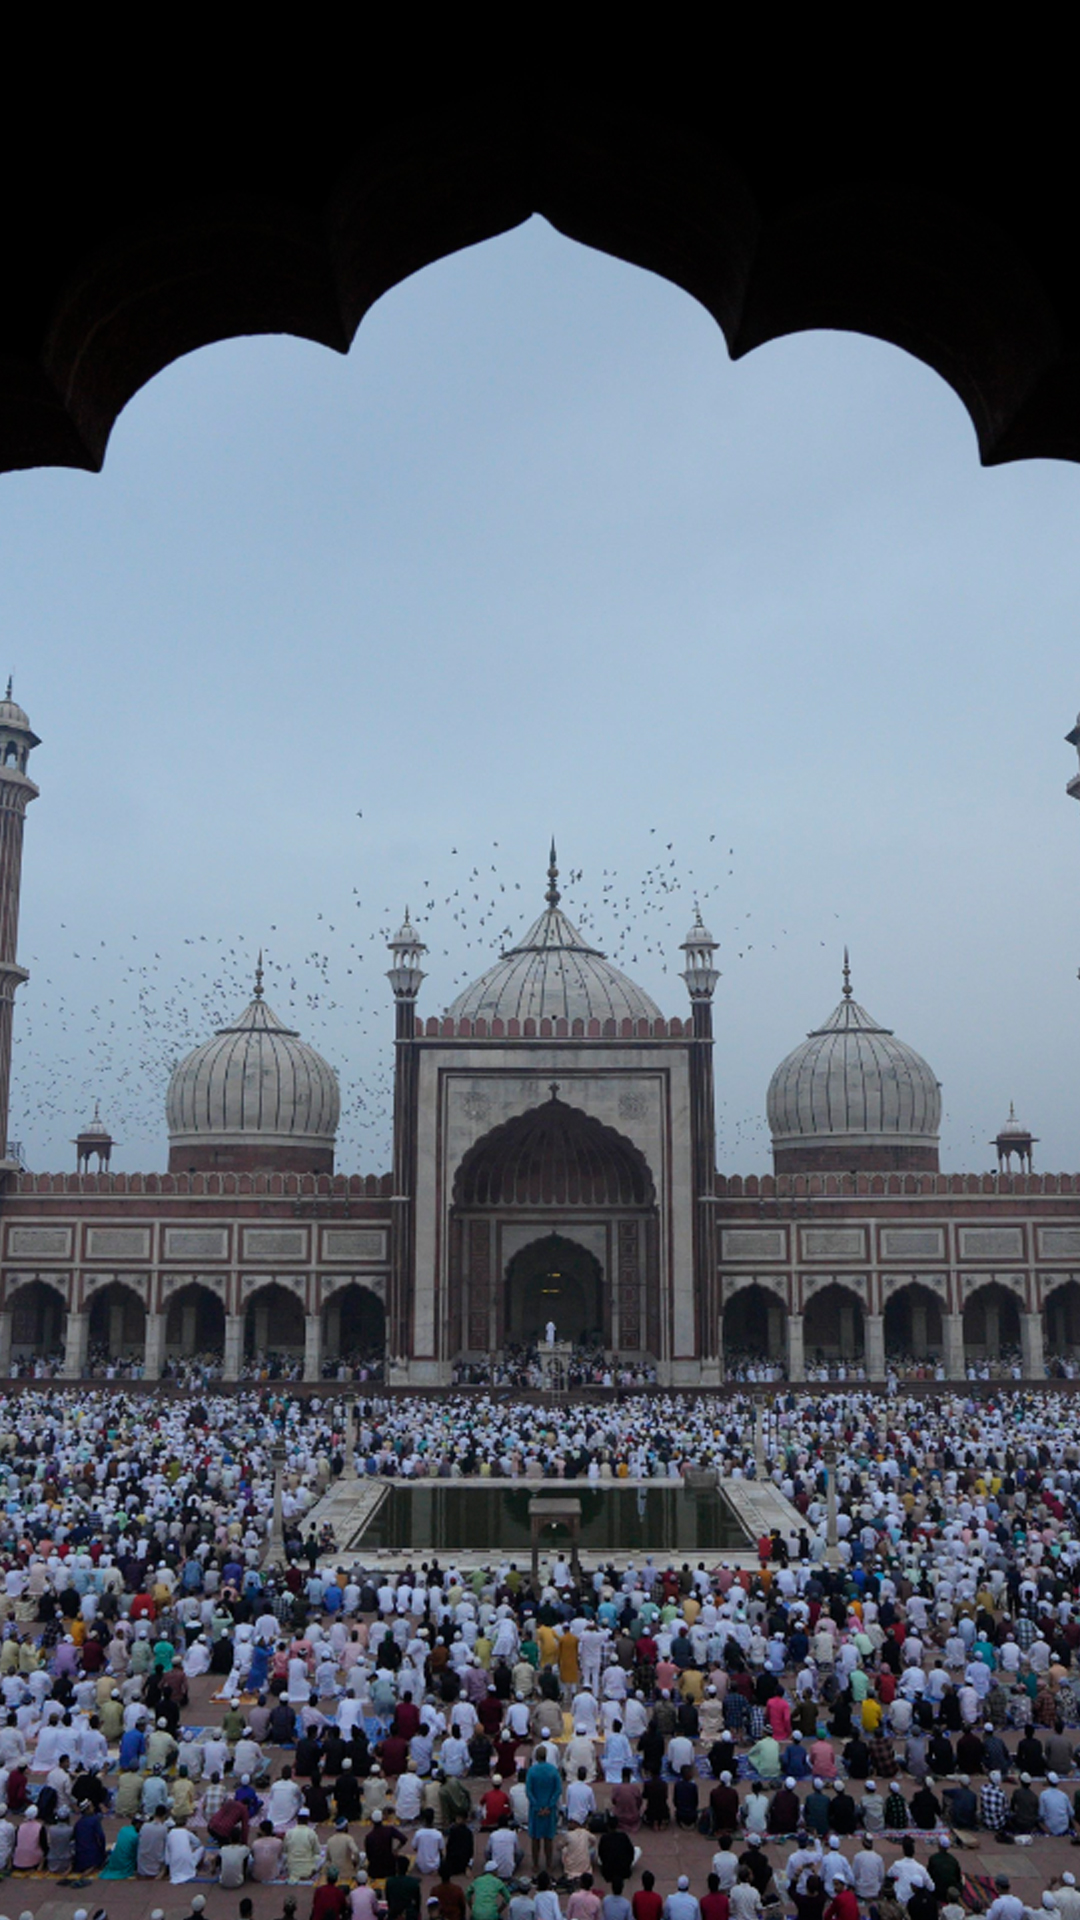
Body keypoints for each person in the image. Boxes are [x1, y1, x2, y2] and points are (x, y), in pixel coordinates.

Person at [527, 1746, 563, 1875]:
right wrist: (549, 1806)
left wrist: (537, 1807)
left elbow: (529, 1791)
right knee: (549, 1839)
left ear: (536, 1756)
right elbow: (558, 1790)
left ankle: (536, 1864)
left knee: (535, 1839)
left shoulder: (531, 1771)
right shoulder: (553, 1771)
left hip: (536, 1810)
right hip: (549, 1810)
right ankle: (548, 1864)